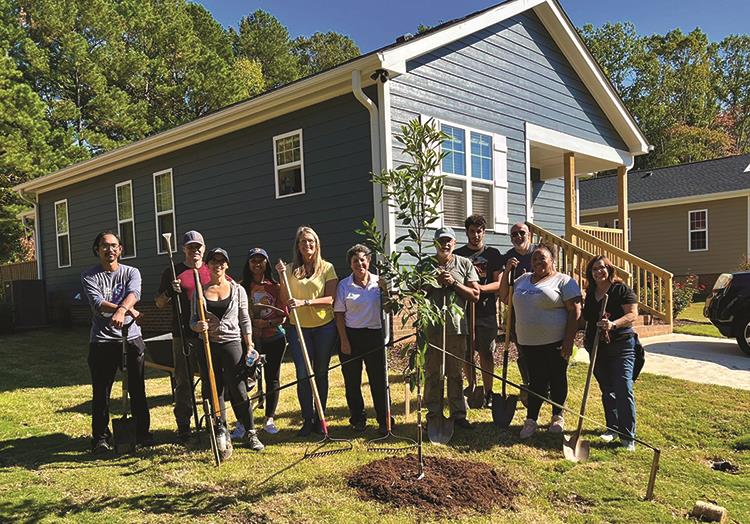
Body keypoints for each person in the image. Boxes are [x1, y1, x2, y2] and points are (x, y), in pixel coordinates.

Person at [500, 243, 581, 439]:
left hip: (556, 342)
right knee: (536, 381)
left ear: (552, 260)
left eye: (542, 258)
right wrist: (506, 272)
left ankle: (557, 416)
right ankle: (531, 420)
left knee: (557, 378)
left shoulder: (564, 281)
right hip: (528, 343)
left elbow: (575, 311)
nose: (537, 262)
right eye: (534, 258)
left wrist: (569, 341)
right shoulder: (523, 279)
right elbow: (504, 296)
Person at [81, 231, 152, 453]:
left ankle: (142, 433)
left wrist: (123, 309)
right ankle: (100, 437)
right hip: (102, 341)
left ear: (120, 249)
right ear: (97, 250)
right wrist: (127, 310)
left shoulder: (132, 272)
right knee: (101, 392)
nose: (109, 249)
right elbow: (98, 302)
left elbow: (134, 293)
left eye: (114, 246)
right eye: (104, 246)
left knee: (137, 388)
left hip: (131, 338)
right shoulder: (90, 276)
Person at [190, 248, 264, 451]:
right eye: (214, 261)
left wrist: (249, 344)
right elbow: (192, 321)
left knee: (239, 388)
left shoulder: (237, 289)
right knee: (213, 388)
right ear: (207, 265)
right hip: (208, 344)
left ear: (227, 265)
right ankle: (220, 430)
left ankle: (250, 432)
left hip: (232, 342)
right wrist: (198, 327)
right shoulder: (199, 290)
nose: (218, 265)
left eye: (222, 261)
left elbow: (244, 318)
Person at [275, 226, 338, 436]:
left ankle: (321, 418)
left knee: (320, 373)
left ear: (316, 244)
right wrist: (282, 277)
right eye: (303, 241)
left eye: (310, 241)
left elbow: (331, 299)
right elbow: (284, 299)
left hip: (323, 328)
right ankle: (307, 419)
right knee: (303, 374)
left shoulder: (327, 268)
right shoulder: (291, 269)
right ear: (298, 246)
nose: (307, 245)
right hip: (298, 328)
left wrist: (305, 302)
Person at [423, 226, 480, 430]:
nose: (445, 244)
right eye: (441, 241)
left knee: (454, 372)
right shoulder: (425, 265)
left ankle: (458, 414)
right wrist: (433, 283)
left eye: (449, 241)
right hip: (432, 328)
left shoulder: (464, 264)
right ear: (435, 243)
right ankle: (434, 414)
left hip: (456, 326)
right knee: (432, 372)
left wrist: (454, 283)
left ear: (454, 244)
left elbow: (475, 294)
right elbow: (416, 293)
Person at [155, 230, 209, 442]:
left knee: (209, 377)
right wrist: (170, 291)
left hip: (206, 334)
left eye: (198, 246)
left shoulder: (210, 270)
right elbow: (159, 303)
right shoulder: (173, 271)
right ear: (183, 249)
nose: (194, 250)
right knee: (183, 381)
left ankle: (212, 419)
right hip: (182, 334)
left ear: (203, 248)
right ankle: (184, 424)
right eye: (190, 247)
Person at [582, 255, 639, 451]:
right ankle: (612, 427)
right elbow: (587, 318)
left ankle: (627, 435)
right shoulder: (591, 292)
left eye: (602, 268)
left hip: (621, 345)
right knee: (607, 388)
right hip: (597, 345)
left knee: (623, 386)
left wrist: (613, 324)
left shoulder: (620, 289)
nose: (599, 272)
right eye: (594, 269)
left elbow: (632, 314)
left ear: (609, 269)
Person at [334, 244, 388, 434]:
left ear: (369, 261)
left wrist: (386, 291)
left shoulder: (379, 282)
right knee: (352, 381)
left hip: (374, 335)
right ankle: (358, 418)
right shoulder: (344, 285)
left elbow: (390, 307)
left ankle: (384, 419)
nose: (359, 263)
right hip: (351, 335)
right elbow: (339, 314)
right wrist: (344, 341)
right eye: (355, 260)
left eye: (363, 259)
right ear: (350, 264)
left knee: (378, 380)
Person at [237, 247, 287, 437]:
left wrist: (266, 322)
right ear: (248, 264)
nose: (257, 264)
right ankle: (244, 421)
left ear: (267, 263)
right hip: (251, 341)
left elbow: (284, 315)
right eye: (253, 261)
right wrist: (252, 324)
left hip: (274, 337)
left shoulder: (275, 286)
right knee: (246, 378)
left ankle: (269, 419)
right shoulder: (241, 288)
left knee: (272, 377)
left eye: (261, 260)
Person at [454, 215, 503, 408]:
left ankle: (489, 391)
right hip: (462, 311)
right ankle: (472, 386)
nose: (476, 235)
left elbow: (498, 283)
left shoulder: (493, 254)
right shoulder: (458, 255)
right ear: (466, 232)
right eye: (472, 231)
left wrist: (479, 290)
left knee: (486, 352)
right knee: (466, 352)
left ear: (484, 232)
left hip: (486, 312)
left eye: (479, 231)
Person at [501, 222, 539, 393]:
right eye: (514, 234)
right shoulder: (508, 257)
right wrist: (508, 270)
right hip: (519, 312)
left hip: (541, 309)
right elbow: (503, 291)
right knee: (523, 350)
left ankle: (545, 385)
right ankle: (529, 384)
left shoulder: (539, 252)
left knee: (543, 349)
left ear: (529, 234)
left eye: (521, 233)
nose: (518, 237)